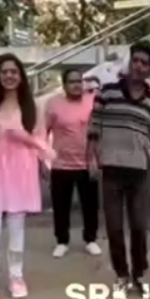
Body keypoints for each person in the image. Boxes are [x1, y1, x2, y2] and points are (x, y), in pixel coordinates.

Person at [0, 53, 54, 299]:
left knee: (16, 228)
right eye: (4, 72)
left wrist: (22, 136)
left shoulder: (32, 107)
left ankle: (16, 277)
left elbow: (41, 142)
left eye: (13, 72)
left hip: (21, 171)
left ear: (21, 76)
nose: (9, 76)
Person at [87, 40, 150, 299]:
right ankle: (122, 275)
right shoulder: (107, 93)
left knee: (139, 226)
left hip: (140, 172)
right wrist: (91, 159)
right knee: (114, 227)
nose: (138, 66)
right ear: (130, 62)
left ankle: (139, 275)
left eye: (145, 63)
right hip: (111, 169)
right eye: (136, 60)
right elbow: (93, 128)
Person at [46, 68, 101, 258]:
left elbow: (99, 131)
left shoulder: (93, 102)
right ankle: (62, 241)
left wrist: (98, 160)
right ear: (64, 85)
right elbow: (42, 132)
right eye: (72, 82)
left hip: (88, 163)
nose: (77, 85)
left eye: (79, 81)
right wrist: (43, 160)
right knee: (61, 206)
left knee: (90, 205)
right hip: (61, 165)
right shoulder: (53, 104)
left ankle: (90, 239)